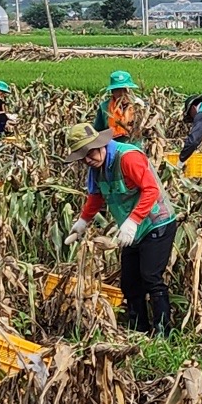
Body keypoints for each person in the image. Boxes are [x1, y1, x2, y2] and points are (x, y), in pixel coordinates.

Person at [60, 123, 179, 334]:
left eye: (90, 152)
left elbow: (151, 189)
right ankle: (138, 328)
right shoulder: (96, 168)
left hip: (155, 223)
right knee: (129, 282)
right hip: (132, 228)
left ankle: (164, 331)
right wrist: (82, 223)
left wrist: (132, 221)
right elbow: (96, 196)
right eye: (82, 156)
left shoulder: (128, 158)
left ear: (101, 144)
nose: (88, 159)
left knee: (151, 277)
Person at [93, 70, 142, 141]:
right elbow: (98, 130)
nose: (122, 93)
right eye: (118, 90)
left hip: (135, 146)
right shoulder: (104, 107)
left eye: (125, 90)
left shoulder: (140, 105)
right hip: (114, 146)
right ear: (112, 91)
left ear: (130, 90)